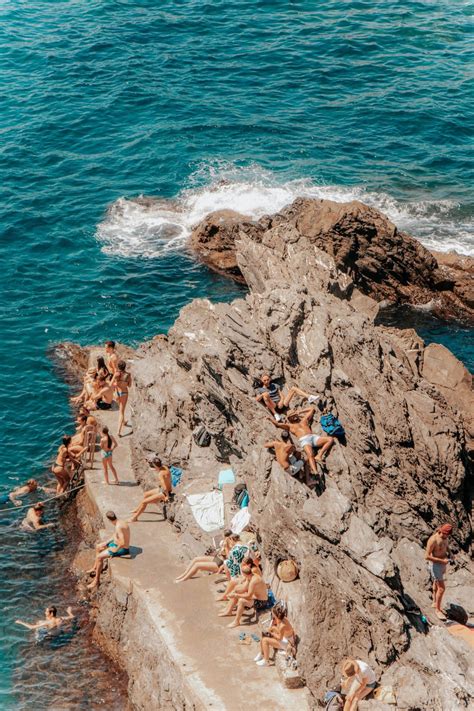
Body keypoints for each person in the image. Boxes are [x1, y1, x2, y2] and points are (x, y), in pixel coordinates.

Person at [269, 406, 335, 480]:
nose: (294, 417)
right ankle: (315, 472)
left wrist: (300, 412)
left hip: (313, 437)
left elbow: (311, 409)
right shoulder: (290, 426)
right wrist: (270, 419)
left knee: (330, 439)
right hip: (304, 440)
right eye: (292, 416)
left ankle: (319, 455)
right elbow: (278, 424)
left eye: (294, 415)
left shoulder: (303, 420)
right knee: (310, 454)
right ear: (289, 419)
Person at [87, 511, 130, 590]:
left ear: (108, 520)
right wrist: (106, 543)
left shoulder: (118, 527)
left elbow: (123, 542)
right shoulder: (119, 522)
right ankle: (95, 567)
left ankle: (96, 581)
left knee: (99, 557)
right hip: (115, 544)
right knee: (98, 547)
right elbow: (115, 535)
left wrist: (115, 550)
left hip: (123, 549)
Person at [218, 563, 269, 628]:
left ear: (244, 574)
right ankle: (228, 611)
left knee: (241, 600)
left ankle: (236, 622)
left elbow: (249, 596)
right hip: (254, 597)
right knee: (237, 591)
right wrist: (235, 591)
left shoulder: (254, 581)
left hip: (262, 601)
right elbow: (244, 588)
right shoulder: (250, 576)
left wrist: (236, 595)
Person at [425, 523, 453, 620]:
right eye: (446, 534)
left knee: (436, 581)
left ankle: (434, 601)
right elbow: (427, 556)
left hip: (443, 564)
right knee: (441, 588)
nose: (447, 537)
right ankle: (438, 610)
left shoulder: (446, 538)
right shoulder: (433, 540)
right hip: (435, 564)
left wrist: (450, 553)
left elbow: (446, 546)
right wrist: (442, 561)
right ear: (441, 531)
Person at [112, 360, 132, 437]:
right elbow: (129, 385)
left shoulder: (116, 374)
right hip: (124, 393)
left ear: (118, 366)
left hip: (117, 394)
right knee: (121, 411)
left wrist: (116, 384)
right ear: (125, 367)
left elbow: (111, 384)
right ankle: (118, 431)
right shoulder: (128, 375)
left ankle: (123, 422)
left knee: (121, 410)